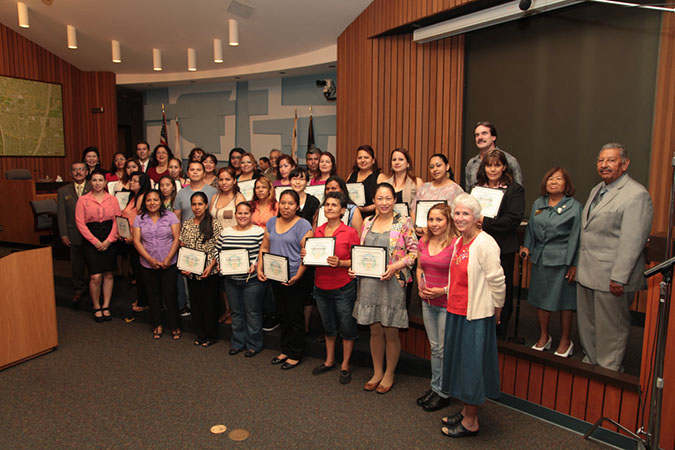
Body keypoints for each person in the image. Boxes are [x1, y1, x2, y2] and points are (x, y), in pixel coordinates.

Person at [576, 143, 653, 371]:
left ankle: (609, 372)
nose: (604, 165)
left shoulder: (636, 195)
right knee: (588, 326)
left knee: (611, 330)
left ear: (625, 164)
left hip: (612, 278)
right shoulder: (597, 189)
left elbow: (632, 241)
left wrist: (619, 277)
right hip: (587, 272)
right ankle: (591, 365)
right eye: (600, 160)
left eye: (610, 160)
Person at [440, 193, 505, 438]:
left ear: (478, 218)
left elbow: (497, 281)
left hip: (475, 316)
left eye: (466, 213)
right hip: (456, 312)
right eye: (457, 213)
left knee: (471, 367)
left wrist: (498, 308)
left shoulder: (486, 243)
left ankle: (471, 421)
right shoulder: (459, 242)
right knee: (460, 365)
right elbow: (457, 279)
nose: (460, 218)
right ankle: (467, 411)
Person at [352, 182, 418, 394]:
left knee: (391, 331)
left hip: (392, 281)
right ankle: (377, 372)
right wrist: (355, 268)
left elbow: (414, 253)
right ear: (373, 200)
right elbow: (362, 252)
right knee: (374, 331)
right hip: (369, 282)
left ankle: (389, 373)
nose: (384, 203)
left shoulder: (404, 222)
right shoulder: (367, 222)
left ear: (395, 200)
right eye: (379, 198)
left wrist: (395, 266)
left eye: (388, 198)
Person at [521, 168, 582, 357]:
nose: (553, 182)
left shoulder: (574, 206)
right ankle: (544, 336)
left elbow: (577, 237)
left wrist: (574, 264)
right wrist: (526, 247)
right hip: (540, 258)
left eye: (558, 179)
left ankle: (565, 340)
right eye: (549, 179)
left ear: (566, 185)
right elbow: (531, 228)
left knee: (564, 302)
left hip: (563, 260)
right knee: (541, 299)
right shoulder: (538, 204)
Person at [258, 190, 313, 370]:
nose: (286, 207)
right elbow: (265, 246)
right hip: (275, 276)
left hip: (296, 277)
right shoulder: (272, 222)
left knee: (294, 315)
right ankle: (285, 349)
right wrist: (260, 267)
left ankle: (296, 353)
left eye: (290, 203)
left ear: (297, 206)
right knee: (282, 313)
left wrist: (297, 275)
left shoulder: (303, 225)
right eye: (283, 203)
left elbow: (308, 254)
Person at [311, 192, 361, 384]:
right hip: (321, 285)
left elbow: (357, 260)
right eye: (327, 205)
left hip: (343, 287)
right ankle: (330, 360)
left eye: (334, 205)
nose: (329, 208)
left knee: (347, 326)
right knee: (328, 325)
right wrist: (307, 254)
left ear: (342, 210)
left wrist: (340, 263)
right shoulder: (318, 230)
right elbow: (314, 258)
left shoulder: (349, 232)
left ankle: (345, 365)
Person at [476, 149, 525, 338]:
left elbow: (513, 220)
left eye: (497, 165)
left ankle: (500, 332)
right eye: (489, 165)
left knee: (500, 290)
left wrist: (483, 220)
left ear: (504, 167)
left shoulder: (515, 190)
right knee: (479, 288)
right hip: (478, 246)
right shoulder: (477, 189)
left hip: (502, 249)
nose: (493, 169)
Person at [415, 203, 458, 411]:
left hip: (446, 303)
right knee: (435, 348)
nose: (434, 224)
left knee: (444, 349)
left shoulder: (456, 244)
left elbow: (462, 277)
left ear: (448, 221)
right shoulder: (424, 240)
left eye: (439, 219)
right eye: (431, 219)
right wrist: (420, 286)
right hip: (427, 302)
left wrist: (443, 290)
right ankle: (435, 387)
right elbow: (419, 266)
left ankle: (445, 392)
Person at [217, 202, 266, 357]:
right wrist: (219, 263)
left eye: (246, 213)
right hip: (231, 280)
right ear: (235, 214)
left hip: (251, 280)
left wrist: (256, 265)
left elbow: (263, 252)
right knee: (236, 313)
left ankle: (254, 344)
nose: (242, 216)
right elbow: (217, 251)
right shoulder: (226, 232)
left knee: (252, 313)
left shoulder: (259, 232)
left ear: (251, 214)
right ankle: (238, 342)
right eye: (239, 213)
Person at [132, 190, 181, 340]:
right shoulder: (139, 219)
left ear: (161, 201)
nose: (152, 203)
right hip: (148, 264)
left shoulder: (170, 216)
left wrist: (168, 258)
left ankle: (174, 325)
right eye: (148, 200)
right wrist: (149, 259)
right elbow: (136, 241)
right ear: (145, 203)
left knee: (170, 294)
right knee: (153, 295)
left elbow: (177, 238)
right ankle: (157, 324)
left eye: (155, 200)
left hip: (169, 262)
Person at [75, 169, 121, 322]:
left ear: (105, 182)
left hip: (109, 238)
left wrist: (109, 240)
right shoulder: (83, 200)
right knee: (95, 276)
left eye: (100, 180)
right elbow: (80, 223)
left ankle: (106, 305)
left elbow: (117, 220)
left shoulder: (112, 199)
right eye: (94, 180)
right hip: (91, 239)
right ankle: (96, 305)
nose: (97, 183)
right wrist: (95, 241)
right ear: (90, 182)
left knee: (108, 274)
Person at [180, 192, 224, 347]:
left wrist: (210, 267)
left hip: (209, 272)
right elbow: (183, 246)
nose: (197, 207)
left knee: (209, 305)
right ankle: (200, 334)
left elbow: (218, 249)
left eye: (200, 204)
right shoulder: (187, 224)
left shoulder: (215, 224)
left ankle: (211, 335)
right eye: (194, 204)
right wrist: (184, 267)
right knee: (196, 304)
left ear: (206, 205)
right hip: (191, 272)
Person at [57, 162, 92, 308]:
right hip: (74, 232)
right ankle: (78, 289)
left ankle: (94, 290)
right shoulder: (63, 191)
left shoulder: (94, 186)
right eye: (75, 170)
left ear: (86, 172)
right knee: (77, 264)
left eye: (81, 169)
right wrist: (64, 233)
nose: (78, 172)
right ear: (71, 173)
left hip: (92, 233)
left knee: (93, 262)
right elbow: (61, 214)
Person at [412, 153, 464, 235]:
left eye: (438, 165)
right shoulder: (424, 187)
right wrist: (416, 226)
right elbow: (413, 210)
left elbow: (461, 215)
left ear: (447, 167)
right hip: (423, 235)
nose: (435, 169)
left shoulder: (456, 189)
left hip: (447, 237)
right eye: (432, 167)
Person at [123, 171, 153, 312]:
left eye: (135, 180)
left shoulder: (142, 197)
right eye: (131, 180)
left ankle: (144, 301)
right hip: (130, 238)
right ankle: (142, 298)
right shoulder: (133, 196)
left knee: (141, 273)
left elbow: (142, 221)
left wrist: (133, 237)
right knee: (137, 271)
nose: (132, 182)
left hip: (138, 239)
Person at [464, 121, 522, 192]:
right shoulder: (471, 163)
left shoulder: (509, 160)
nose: (480, 137)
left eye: (484, 133)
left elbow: (518, 191)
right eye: (477, 135)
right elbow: (468, 192)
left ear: (494, 137)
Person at [346, 145, 381, 217]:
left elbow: (383, 201)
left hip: (370, 217)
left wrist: (363, 209)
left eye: (366, 157)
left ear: (373, 160)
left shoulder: (379, 177)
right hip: (351, 216)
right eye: (360, 158)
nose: (362, 160)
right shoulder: (351, 175)